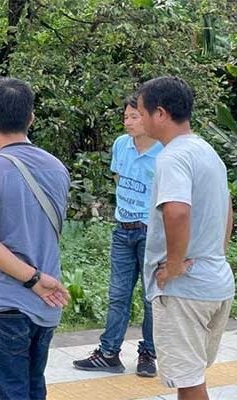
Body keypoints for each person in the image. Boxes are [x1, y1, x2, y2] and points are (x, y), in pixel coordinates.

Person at [0, 77, 70, 400]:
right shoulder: (56, 167)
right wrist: (40, 281)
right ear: (31, 117)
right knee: (34, 385)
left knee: (10, 390)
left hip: (4, 301)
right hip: (47, 301)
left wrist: (32, 279)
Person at [137, 76, 234, 400]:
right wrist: (212, 253)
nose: (138, 118)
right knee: (190, 376)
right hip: (215, 279)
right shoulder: (207, 152)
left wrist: (175, 266)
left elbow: (176, 212)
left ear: (160, 113)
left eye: (141, 111)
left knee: (190, 382)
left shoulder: (172, 156)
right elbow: (228, 212)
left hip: (185, 289)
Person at [73, 95, 162, 377]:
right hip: (122, 229)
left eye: (134, 117)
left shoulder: (164, 152)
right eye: (125, 117)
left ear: (149, 117)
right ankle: (109, 352)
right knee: (118, 294)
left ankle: (148, 353)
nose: (128, 122)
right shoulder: (121, 145)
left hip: (151, 231)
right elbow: (118, 179)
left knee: (151, 297)